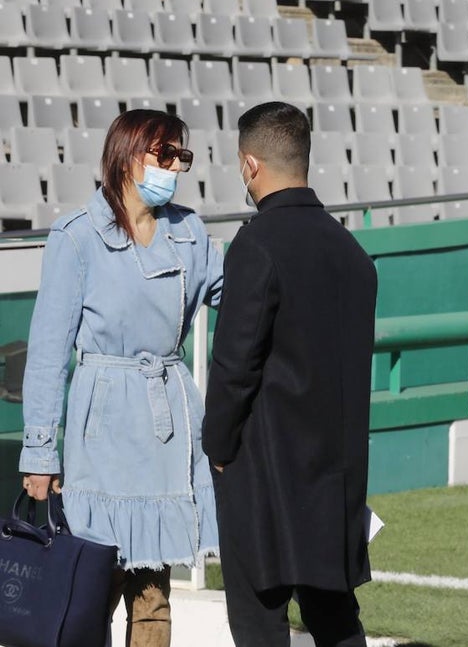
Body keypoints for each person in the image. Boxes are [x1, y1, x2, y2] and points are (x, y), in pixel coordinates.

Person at [19, 109, 222, 647]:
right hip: (101, 433)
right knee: (87, 589)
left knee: (154, 594)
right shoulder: (76, 236)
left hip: (168, 432)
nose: (176, 167)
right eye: (167, 155)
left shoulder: (191, 232)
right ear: (130, 155)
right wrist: (40, 453)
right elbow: (46, 353)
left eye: (183, 156)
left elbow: (244, 294)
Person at [203, 101, 377, 647]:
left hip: (266, 469)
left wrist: (218, 445)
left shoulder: (256, 244)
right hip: (337, 471)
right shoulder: (352, 252)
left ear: (250, 165)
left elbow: (235, 365)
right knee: (334, 613)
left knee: (259, 620)